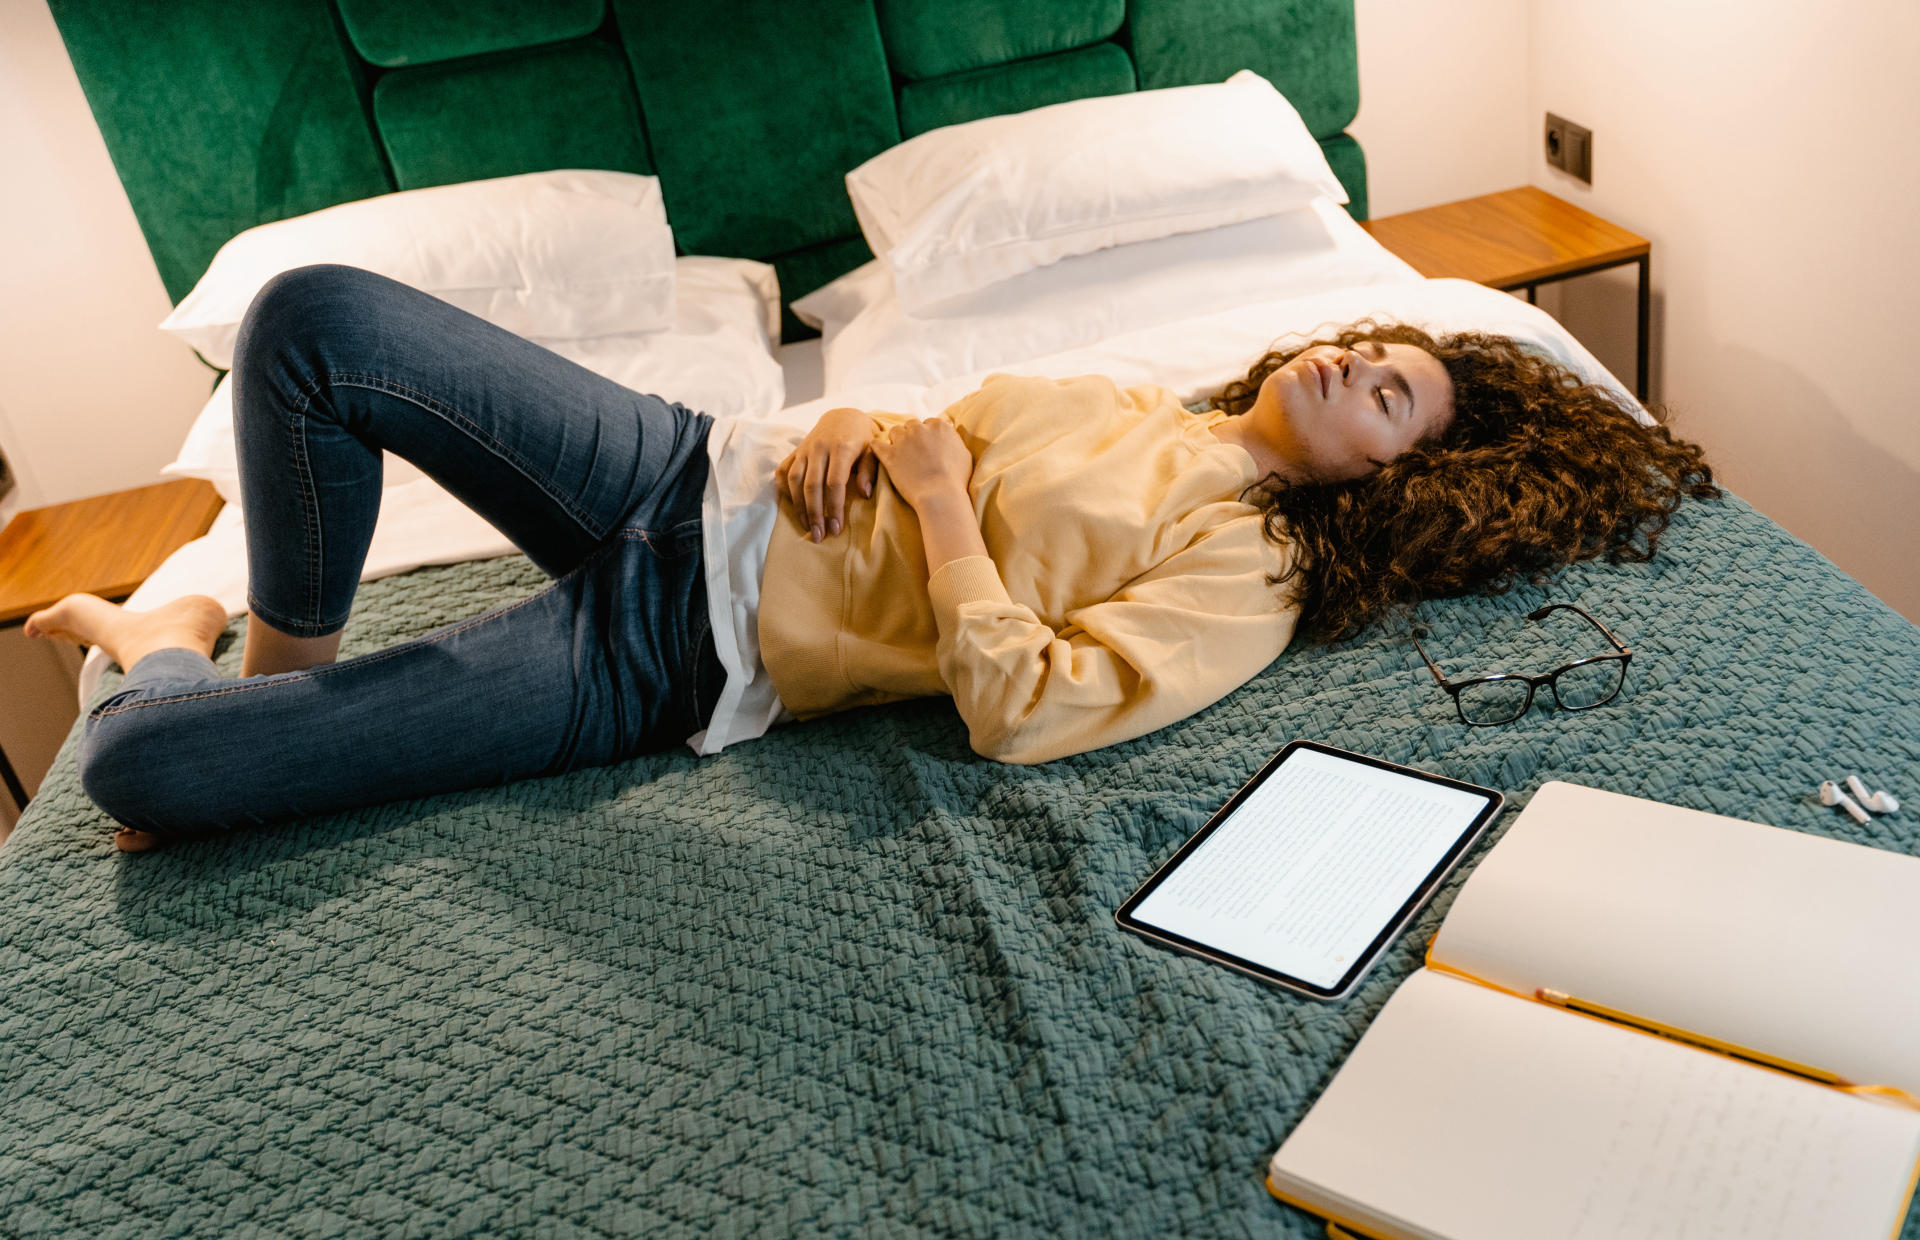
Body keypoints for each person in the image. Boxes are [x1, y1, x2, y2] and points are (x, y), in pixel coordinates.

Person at [26, 265, 1716, 850]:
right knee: (311, 323)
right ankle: (285, 667)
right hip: (686, 463)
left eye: (1396, 394)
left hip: (677, 651)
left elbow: (1033, 709)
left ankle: (170, 642)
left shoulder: (1253, 567)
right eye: (1371, 347)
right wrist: (851, 424)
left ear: (1395, 482)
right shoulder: (1148, 399)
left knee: (148, 777)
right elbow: (935, 424)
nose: (1356, 363)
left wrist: (947, 510)